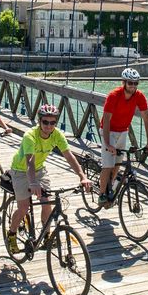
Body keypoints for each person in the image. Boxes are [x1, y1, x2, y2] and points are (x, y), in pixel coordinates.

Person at [6, 104, 91, 254]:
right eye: (45, 122)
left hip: (39, 170)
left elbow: (69, 156)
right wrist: (32, 183)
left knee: (47, 203)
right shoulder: (30, 136)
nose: (49, 126)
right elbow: (30, 161)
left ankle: (46, 236)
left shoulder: (57, 135)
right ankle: (11, 234)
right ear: (39, 121)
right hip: (20, 170)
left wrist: (82, 176)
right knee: (24, 207)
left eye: (53, 123)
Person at [99, 68, 148, 207]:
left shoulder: (139, 96)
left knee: (117, 163)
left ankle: (110, 187)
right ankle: (101, 194)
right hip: (108, 130)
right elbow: (106, 120)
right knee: (108, 164)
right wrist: (107, 144)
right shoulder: (113, 96)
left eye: (136, 83)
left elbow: (147, 119)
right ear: (124, 82)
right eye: (130, 83)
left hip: (123, 131)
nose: (133, 86)